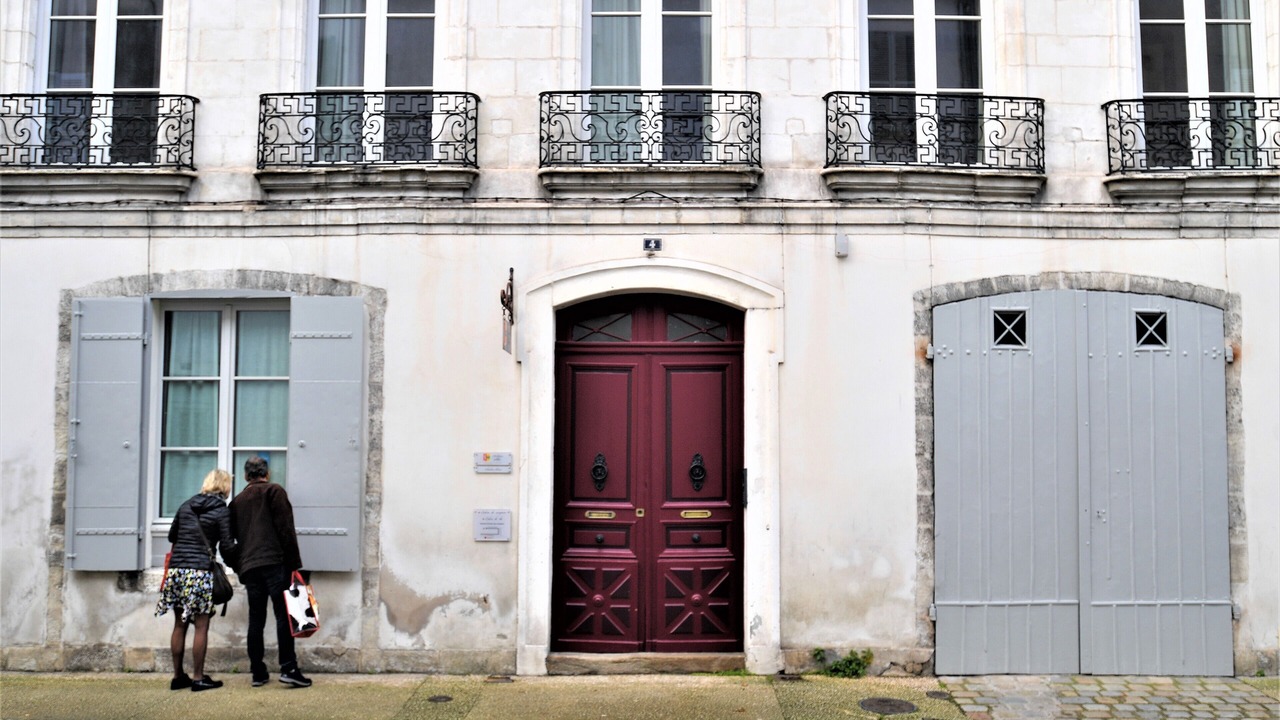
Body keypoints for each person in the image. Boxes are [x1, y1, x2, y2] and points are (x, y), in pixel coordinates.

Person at [228, 456, 312, 688]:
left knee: (256, 619)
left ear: (246, 476)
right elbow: (286, 530)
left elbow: (229, 542)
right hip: (276, 563)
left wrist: (239, 565)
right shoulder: (275, 491)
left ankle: (258, 672)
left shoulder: (237, 501)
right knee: (284, 616)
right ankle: (289, 668)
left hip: (251, 568)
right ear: (267, 473)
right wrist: (295, 565)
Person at [155, 469, 239, 692]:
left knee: (180, 623)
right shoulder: (221, 510)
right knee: (201, 625)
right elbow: (228, 546)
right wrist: (239, 562)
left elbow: (172, 536)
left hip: (177, 571)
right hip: (200, 571)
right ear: (225, 487)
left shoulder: (186, 505)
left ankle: (177, 677)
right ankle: (199, 678)